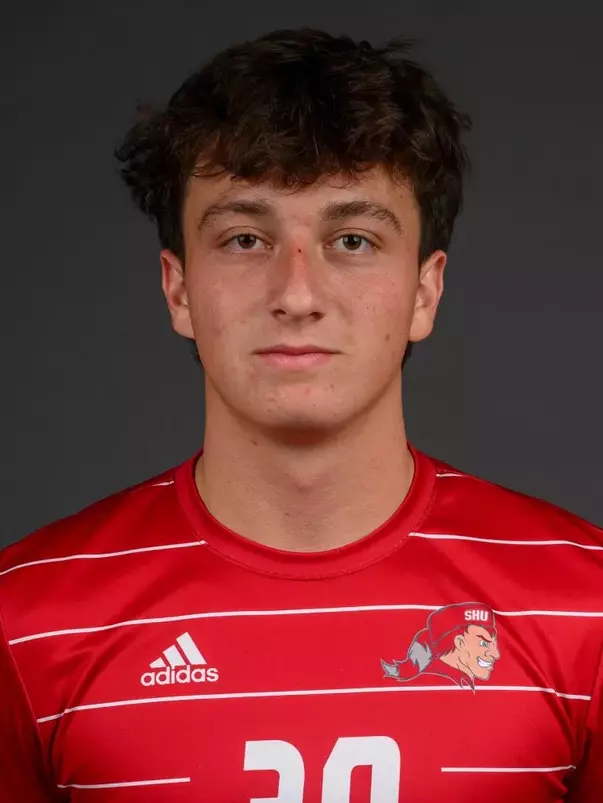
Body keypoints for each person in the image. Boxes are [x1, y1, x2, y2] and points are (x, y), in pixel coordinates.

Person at [0, 27, 601, 803]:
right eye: (245, 239)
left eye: (351, 239)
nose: (297, 292)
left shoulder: (583, 605)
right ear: (178, 288)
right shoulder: (26, 618)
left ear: (424, 291)